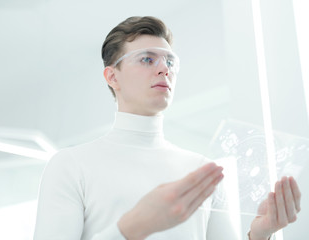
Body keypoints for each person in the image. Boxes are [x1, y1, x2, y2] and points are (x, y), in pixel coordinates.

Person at [34, 16, 301, 240]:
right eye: (147, 60)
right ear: (112, 76)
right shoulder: (70, 165)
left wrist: (260, 234)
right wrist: (133, 226)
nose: (164, 69)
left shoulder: (204, 172)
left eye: (170, 62)